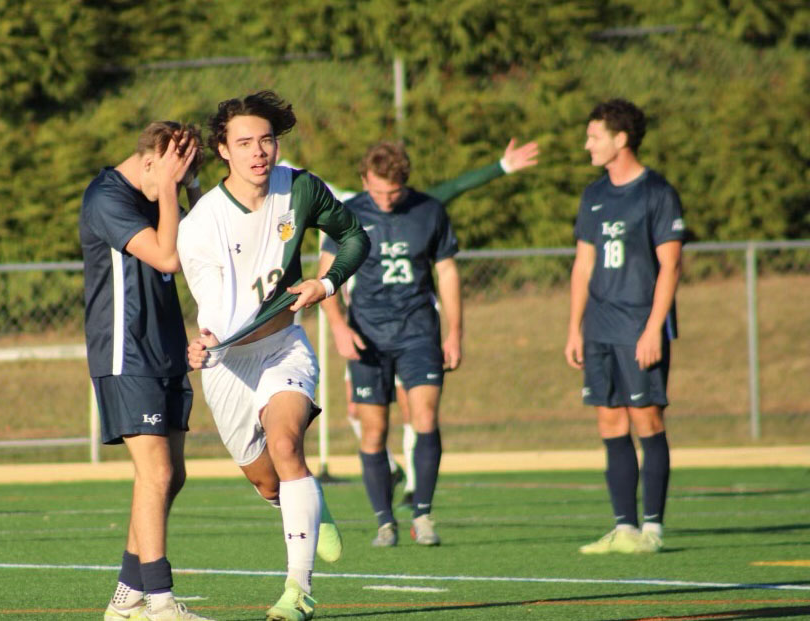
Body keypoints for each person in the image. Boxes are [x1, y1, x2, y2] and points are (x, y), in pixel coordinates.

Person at [178, 91, 369, 621]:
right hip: (227, 364)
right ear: (223, 150)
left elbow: (354, 238)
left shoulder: (301, 186)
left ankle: (298, 590)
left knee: (286, 446)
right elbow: (215, 308)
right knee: (268, 481)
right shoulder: (201, 225)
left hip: (284, 347)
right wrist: (206, 341)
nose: (259, 151)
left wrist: (326, 284)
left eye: (266, 139)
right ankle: (309, 499)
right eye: (245, 143)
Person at [317, 139, 539, 548]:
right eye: (378, 191)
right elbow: (326, 274)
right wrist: (338, 326)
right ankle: (384, 521)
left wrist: (455, 332)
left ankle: (423, 513)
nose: (386, 201)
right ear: (364, 180)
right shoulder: (346, 214)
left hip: (419, 332)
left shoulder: (429, 210)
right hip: (366, 337)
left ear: (406, 183)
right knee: (373, 431)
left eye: (394, 192)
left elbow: (448, 274)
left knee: (425, 418)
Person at [80, 121, 214, 621]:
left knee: (171, 476)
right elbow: (168, 255)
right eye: (175, 175)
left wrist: (189, 186)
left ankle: (128, 596)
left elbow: (203, 239)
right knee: (154, 472)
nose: (177, 189)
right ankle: (160, 602)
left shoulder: (161, 192)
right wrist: (171, 193)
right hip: (126, 352)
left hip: (165, 349)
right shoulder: (105, 197)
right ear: (152, 158)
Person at [565, 99, 685, 555]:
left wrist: (655, 327)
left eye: (594, 136)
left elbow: (671, 266)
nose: (587, 144)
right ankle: (625, 527)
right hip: (598, 327)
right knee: (610, 421)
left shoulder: (657, 191)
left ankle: (652, 528)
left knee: (648, 420)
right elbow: (583, 265)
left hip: (639, 325)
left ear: (621, 139)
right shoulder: (593, 195)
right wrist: (575, 327)